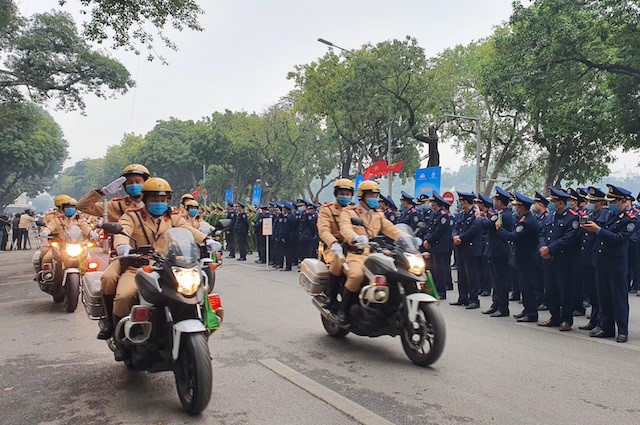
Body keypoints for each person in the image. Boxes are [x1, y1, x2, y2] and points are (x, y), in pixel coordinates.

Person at [111, 177, 219, 360]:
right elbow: (123, 231)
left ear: (168, 200)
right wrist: (122, 245)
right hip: (138, 266)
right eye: (154, 200)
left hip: (167, 266)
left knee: (197, 292)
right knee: (124, 296)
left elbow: (188, 230)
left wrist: (207, 240)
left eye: (163, 200)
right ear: (145, 200)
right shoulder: (132, 215)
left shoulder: (173, 216)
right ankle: (120, 341)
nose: (159, 204)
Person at [76, 163, 151, 340]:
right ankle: (112, 323)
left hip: (156, 256)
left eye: (138, 181)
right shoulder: (116, 206)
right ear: (124, 186)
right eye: (130, 182)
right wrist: (102, 192)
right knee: (108, 279)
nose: (134, 185)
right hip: (125, 255)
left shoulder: (156, 201)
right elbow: (82, 207)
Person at [337, 180, 403, 324]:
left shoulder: (378, 214)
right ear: (362, 196)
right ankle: (343, 310)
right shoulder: (349, 212)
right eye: (371, 195)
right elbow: (345, 228)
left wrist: (408, 238)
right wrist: (355, 237)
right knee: (356, 276)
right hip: (357, 254)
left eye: (376, 195)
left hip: (375, 254)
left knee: (395, 273)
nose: (374, 199)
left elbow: (391, 229)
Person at [582, 184, 636, 343]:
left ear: (622, 202)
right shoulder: (608, 215)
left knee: (619, 298)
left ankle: (623, 330)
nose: (611, 204)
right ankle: (606, 327)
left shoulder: (629, 220)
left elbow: (619, 239)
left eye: (614, 201)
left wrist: (598, 230)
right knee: (603, 296)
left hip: (616, 264)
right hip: (601, 261)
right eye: (609, 201)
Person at [538, 187, 579, 331]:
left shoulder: (572, 217)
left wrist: (550, 248)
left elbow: (568, 238)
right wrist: (543, 248)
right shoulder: (551, 216)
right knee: (551, 289)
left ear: (561, 203)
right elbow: (542, 233)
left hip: (564, 259)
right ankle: (554, 317)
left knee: (565, 290)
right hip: (548, 258)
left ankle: (566, 320)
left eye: (553, 201)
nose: (550, 204)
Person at [496, 193, 539, 322]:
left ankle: (531, 313)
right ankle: (527, 310)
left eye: (517, 206)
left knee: (528, 288)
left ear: (522, 208)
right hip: (523, 258)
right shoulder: (524, 219)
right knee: (524, 287)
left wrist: (500, 229)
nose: (515, 208)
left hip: (527, 259)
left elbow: (514, 237)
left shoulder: (527, 221)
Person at [317, 178, 354, 310]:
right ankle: (330, 296)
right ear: (336, 194)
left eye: (348, 194)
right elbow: (323, 230)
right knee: (338, 263)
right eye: (342, 193)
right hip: (334, 247)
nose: (345, 196)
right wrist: (333, 243)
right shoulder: (327, 210)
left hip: (354, 247)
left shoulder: (355, 210)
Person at [481, 187, 515, 317]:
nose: (494, 202)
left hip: (499, 252)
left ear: (500, 202)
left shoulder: (501, 214)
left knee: (501, 281)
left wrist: (479, 218)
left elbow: (486, 225)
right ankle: (496, 304)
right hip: (496, 251)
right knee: (496, 280)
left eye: (496, 200)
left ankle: (503, 307)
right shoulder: (501, 213)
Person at [38, 196, 95, 270]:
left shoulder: (78, 218)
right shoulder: (55, 218)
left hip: (75, 243)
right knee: (46, 258)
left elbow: (85, 227)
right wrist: (45, 235)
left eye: (73, 207)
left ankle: (87, 276)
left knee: (88, 259)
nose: (71, 209)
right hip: (58, 244)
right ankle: (45, 275)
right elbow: (48, 227)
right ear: (63, 207)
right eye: (68, 206)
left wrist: (92, 233)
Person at [451, 191, 482, 309]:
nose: (459, 203)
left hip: (471, 248)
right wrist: (454, 236)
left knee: (472, 275)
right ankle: (462, 297)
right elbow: (455, 228)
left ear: (465, 202)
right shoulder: (461, 214)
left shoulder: (475, 214)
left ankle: (474, 299)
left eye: (461, 201)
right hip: (461, 248)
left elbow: (474, 229)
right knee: (461, 274)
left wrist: (461, 238)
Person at [423, 191, 454, 300]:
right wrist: (426, 239)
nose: (432, 204)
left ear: (437, 203)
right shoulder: (434, 214)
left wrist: (429, 241)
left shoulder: (443, 216)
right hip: (433, 246)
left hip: (440, 247)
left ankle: (441, 292)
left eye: (433, 202)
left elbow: (438, 232)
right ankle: (434, 290)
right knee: (433, 269)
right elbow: (429, 229)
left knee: (440, 270)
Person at [280, 201, 297, 271]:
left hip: (288, 237)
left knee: (287, 252)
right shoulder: (292, 216)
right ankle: (288, 265)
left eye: (283, 208)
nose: (283, 209)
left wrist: (284, 237)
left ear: (286, 208)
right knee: (289, 252)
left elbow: (286, 229)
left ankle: (288, 266)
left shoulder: (288, 217)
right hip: (292, 236)